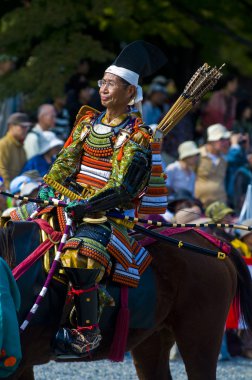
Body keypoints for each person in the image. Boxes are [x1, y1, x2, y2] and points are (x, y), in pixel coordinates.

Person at [36, 41, 168, 358]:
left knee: (79, 257)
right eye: (102, 83)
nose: (103, 89)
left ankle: (87, 333)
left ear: (129, 93)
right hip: (68, 205)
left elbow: (123, 187)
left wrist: (88, 206)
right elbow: (64, 164)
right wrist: (47, 185)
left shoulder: (137, 136)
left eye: (111, 84)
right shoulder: (86, 124)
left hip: (107, 216)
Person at [195, 123, 231, 207]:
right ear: (211, 141)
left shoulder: (225, 158)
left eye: (227, 139)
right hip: (201, 206)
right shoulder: (197, 155)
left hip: (221, 207)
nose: (226, 142)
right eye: (221, 139)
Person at [0, 113, 31, 189]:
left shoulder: (21, 147)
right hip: (7, 194)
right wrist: (8, 192)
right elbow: (2, 171)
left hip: (17, 191)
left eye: (27, 127)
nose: (25, 130)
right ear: (11, 126)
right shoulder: (3, 144)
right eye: (22, 127)